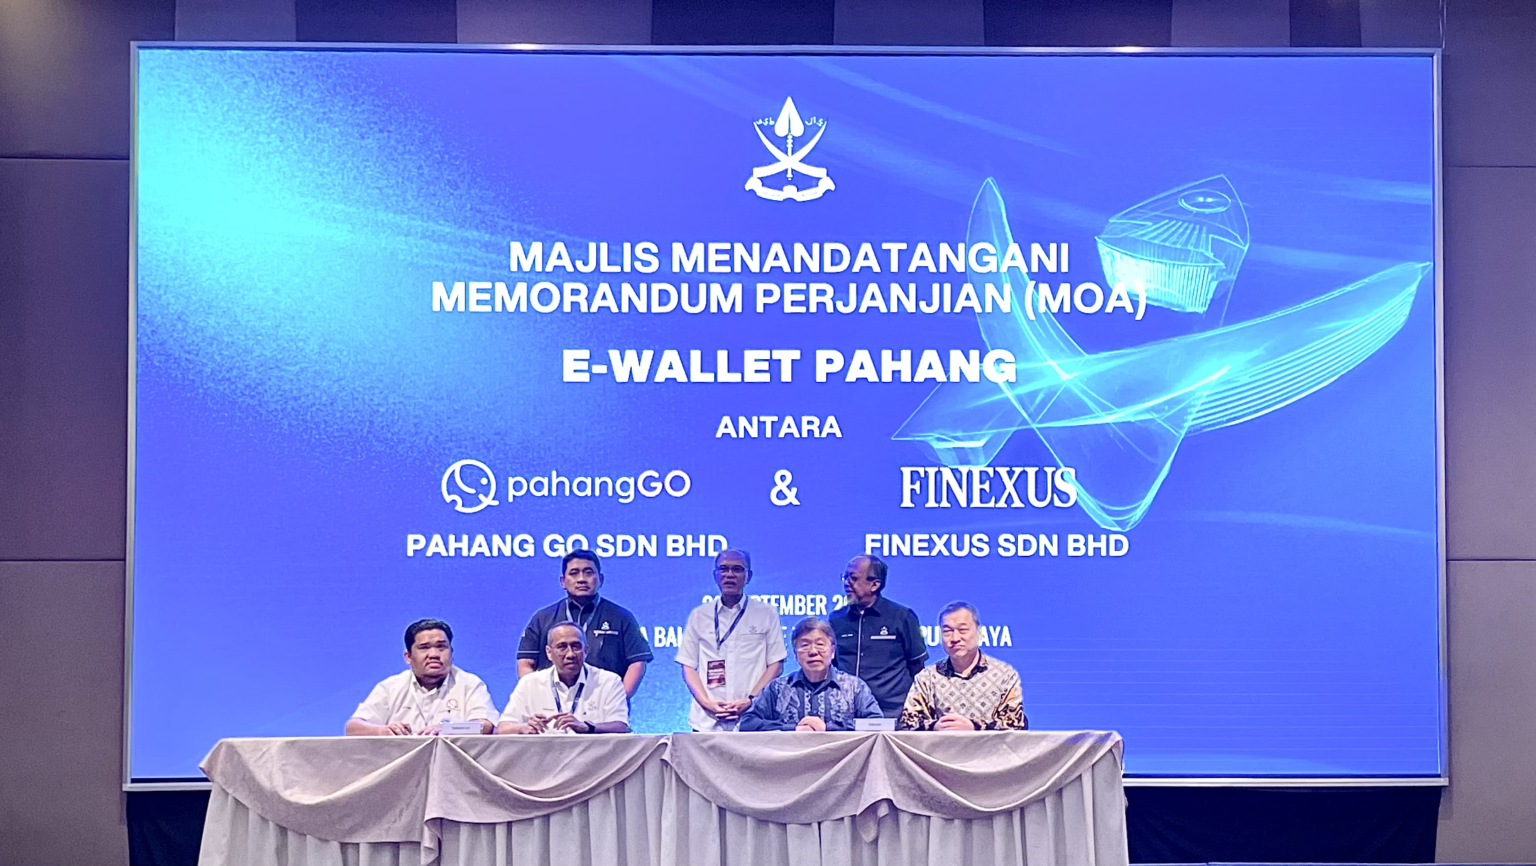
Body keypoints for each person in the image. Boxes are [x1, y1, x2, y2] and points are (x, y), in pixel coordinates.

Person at [676, 549, 787, 730]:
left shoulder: (766, 613)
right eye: (723, 569)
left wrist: (751, 700)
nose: (729, 575)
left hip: (752, 717)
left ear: (748, 576)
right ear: (715, 576)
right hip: (707, 720)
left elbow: (776, 665)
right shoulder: (699, 615)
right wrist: (707, 703)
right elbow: (688, 666)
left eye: (737, 569)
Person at [517, 549, 653, 697]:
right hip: (552, 708)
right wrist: (537, 697)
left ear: (600, 579)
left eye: (588, 572)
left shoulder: (622, 617)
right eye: (574, 573)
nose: (581, 579)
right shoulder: (543, 618)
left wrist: (619, 699)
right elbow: (525, 663)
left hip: (605, 708)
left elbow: (637, 663)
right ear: (563, 581)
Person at [346, 618, 498, 735]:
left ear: (451, 652)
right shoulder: (390, 687)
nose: (434, 655)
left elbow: (485, 725)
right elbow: (353, 728)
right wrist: (382, 731)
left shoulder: (469, 683)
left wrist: (450, 730)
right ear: (408, 657)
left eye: (441, 647)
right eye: (424, 648)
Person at [899, 601, 1028, 731]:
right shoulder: (927, 677)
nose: (955, 638)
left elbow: (1015, 725)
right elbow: (908, 724)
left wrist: (975, 728)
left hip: (990, 750)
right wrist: (934, 727)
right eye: (947, 631)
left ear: (979, 632)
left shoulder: (1005, 675)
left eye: (963, 630)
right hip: (940, 749)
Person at [739, 617, 881, 731]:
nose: (813, 652)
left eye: (820, 644)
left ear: (832, 652)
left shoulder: (854, 687)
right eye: (805, 645)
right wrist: (792, 729)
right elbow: (748, 723)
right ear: (795, 654)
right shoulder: (778, 688)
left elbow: (877, 724)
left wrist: (828, 728)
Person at [830, 554, 928, 717]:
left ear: (875, 584)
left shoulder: (902, 616)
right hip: (846, 711)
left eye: (853, 578)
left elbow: (917, 666)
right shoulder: (836, 619)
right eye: (845, 577)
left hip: (892, 711)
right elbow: (833, 665)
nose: (847, 583)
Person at [499, 623, 630, 734]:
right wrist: (524, 727)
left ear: (586, 651)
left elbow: (621, 726)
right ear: (549, 653)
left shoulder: (609, 681)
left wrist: (587, 727)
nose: (570, 654)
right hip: (543, 758)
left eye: (576, 646)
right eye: (562, 647)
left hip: (593, 758)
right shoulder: (529, 683)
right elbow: (502, 728)